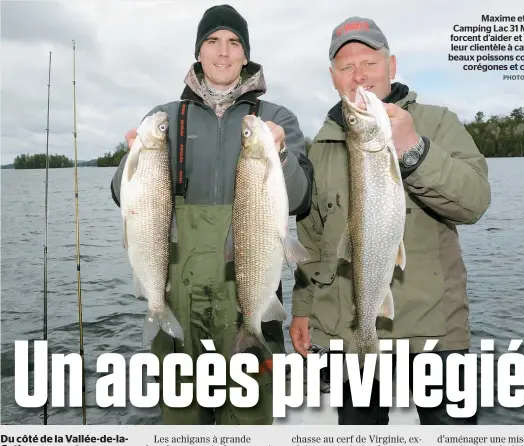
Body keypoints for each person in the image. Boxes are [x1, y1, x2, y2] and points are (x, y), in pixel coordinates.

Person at [110, 4, 313, 425]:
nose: (223, 53)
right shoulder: (164, 117)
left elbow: (300, 199)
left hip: (250, 291)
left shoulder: (276, 118)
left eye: (234, 43)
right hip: (179, 295)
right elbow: (122, 197)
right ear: (198, 53)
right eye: (213, 42)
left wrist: (279, 153)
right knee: (182, 415)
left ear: (246, 54)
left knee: (250, 414)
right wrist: (130, 159)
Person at [289, 16, 491, 425]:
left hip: (433, 335)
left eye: (369, 63)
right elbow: (311, 243)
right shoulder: (321, 147)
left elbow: (474, 202)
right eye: (346, 67)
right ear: (333, 78)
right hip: (352, 340)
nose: (359, 76)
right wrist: (302, 309)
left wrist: (414, 150)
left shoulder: (438, 123)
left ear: (392, 66)